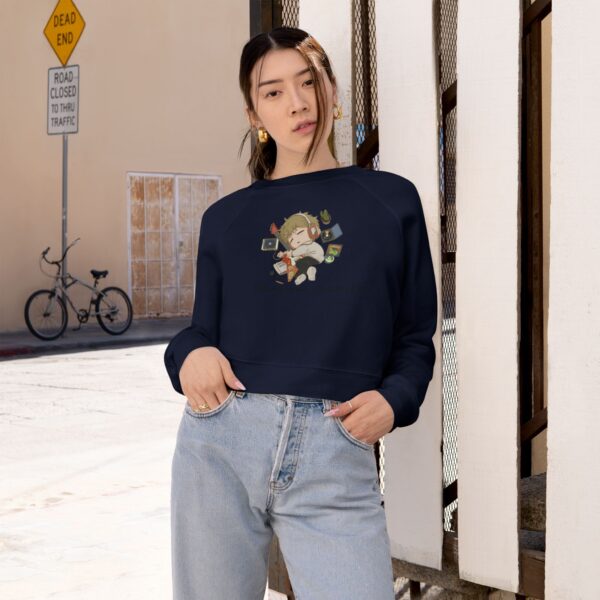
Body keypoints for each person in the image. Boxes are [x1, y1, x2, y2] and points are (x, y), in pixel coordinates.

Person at [164, 26, 438, 600]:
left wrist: (394, 400)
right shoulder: (225, 219)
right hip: (221, 443)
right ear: (254, 113)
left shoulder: (392, 201)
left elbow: (415, 335)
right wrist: (188, 355)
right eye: (273, 92)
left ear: (331, 88)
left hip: (333, 446)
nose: (297, 102)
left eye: (308, 82)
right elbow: (200, 332)